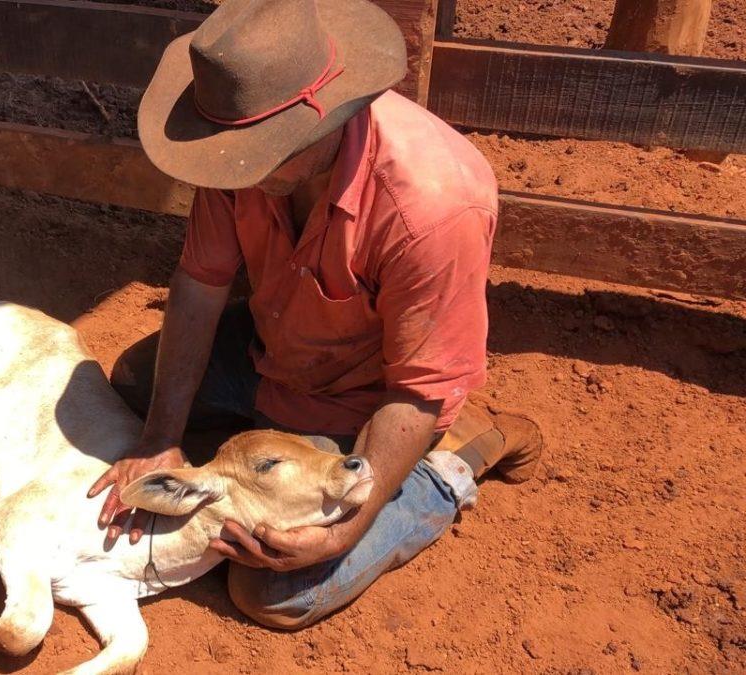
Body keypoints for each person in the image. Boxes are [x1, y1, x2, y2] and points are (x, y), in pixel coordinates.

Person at [85, 0, 544, 630]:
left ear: (323, 120)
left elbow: (416, 388)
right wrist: (162, 438)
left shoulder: (434, 207)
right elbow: (201, 279)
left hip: (371, 394)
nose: (234, 165)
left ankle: (450, 464)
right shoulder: (239, 152)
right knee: (137, 384)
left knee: (272, 590)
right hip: (278, 343)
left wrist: (345, 531)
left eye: (258, 149)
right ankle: (262, 434)